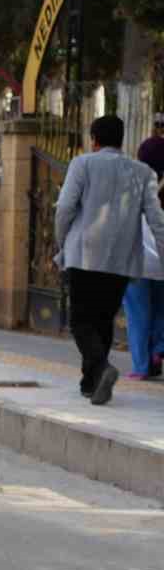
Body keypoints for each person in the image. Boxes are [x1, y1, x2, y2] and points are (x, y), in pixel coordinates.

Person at [54, 114, 164, 404]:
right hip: (121, 259)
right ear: (122, 139)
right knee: (103, 318)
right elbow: (157, 221)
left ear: (94, 139)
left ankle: (101, 368)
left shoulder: (82, 164)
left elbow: (64, 207)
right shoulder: (143, 173)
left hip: (84, 253)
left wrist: (61, 241)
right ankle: (91, 382)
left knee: (80, 320)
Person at [127, 121, 164, 379]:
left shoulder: (135, 185)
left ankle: (141, 367)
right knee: (162, 309)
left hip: (138, 258)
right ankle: (159, 349)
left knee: (137, 311)